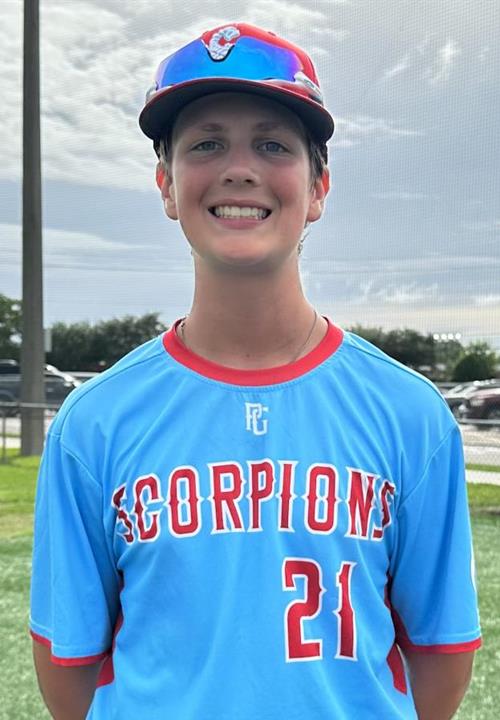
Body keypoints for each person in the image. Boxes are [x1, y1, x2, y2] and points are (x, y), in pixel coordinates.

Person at [30, 22, 481, 720]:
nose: (239, 169)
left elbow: (442, 652)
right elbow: (69, 669)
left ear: (319, 185)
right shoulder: (94, 423)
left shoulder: (409, 413)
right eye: (205, 144)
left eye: (272, 144)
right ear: (167, 185)